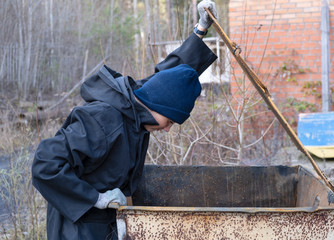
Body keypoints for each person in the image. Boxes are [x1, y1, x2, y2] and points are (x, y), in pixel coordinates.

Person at [32, 1, 218, 239]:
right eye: (170, 121)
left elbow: (173, 77)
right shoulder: (102, 119)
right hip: (77, 227)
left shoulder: (143, 99)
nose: (168, 129)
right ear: (159, 106)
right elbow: (45, 165)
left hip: (107, 221)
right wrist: (95, 198)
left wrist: (200, 29)